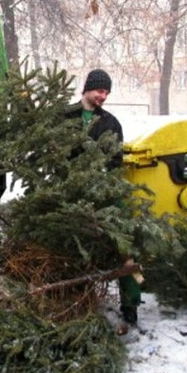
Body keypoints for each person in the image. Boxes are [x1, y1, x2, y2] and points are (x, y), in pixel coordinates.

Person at [65, 69, 141, 326]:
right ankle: (75, 300)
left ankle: (131, 304)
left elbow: (115, 161)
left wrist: (103, 181)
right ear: (87, 89)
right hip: (71, 193)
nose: (104, 96)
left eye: (107, 92)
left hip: (104, 191)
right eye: (100, 91)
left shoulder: (110, 123)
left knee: (123, 242)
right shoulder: (65, 118)